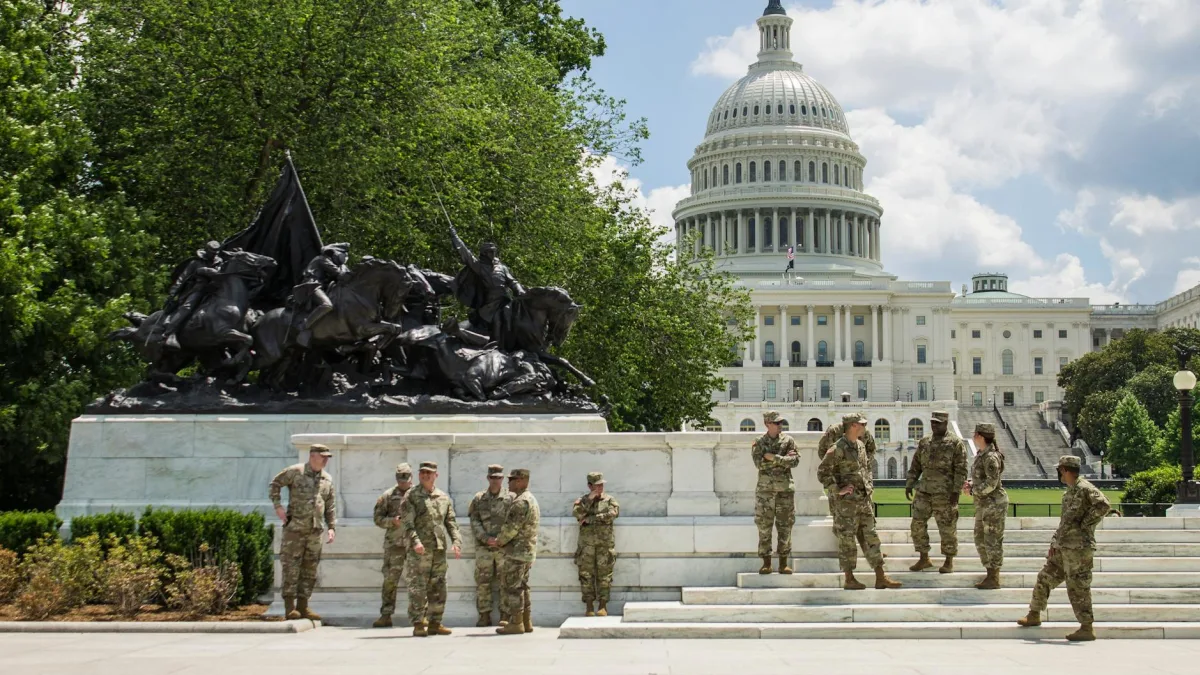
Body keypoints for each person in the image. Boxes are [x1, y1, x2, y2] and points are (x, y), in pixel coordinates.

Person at [1018, 455, 1111, 641]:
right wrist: (1055, 542)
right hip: (1063, 547)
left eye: (1060, 470)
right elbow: (1065, 522)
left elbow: (1104, 505)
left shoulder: (1085, 489)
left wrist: (1085, 524)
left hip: (1079, 549)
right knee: (1045, 577)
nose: (1059, 474)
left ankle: (1086, 627)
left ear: (1065, 470)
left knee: (1078, 586)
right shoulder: (1069, 492)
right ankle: (1034, 614)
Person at [818, 414, 901, 591]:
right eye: (862, 424)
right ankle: (849, 578)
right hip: (846, 504)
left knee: (872, 537)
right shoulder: (837, 448)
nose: (865, 427)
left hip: (863, 500)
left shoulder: (861, 445)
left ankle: (880, 577)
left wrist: (868, 487)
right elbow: (823, 472)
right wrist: (837, 489)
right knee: (847, 541)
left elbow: (865, 469)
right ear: (853, 425)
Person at [268, 443, 337, 620]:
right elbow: (275, 484)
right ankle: (290, 608)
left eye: (327, 458)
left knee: (310, 570)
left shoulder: (327, 479)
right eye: (323, 457)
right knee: (291, 568)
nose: (325, 461)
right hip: (295, 530)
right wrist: (278, 507)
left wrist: (331, 527)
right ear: (313, 455)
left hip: (314, 532)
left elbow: (330, 505)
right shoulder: (295, 471)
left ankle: (303, 606)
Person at [399, 461, 462, 637]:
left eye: (429, 473)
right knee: (418, 587)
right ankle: (419, 623)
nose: (426, 475)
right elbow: (407, 523)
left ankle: (435, 622)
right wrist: (416, 542)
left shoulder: (443, 497)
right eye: (423, 472)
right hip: (419, 550)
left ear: (436, 475)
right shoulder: (411, 496)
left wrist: (456, 541)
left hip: (438, 550)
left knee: (439, 587)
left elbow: (450, 522)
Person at [906, 411, 968, 573]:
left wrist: (956, 491)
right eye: (933, 422)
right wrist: (910, 483)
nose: (934, 425)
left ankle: (948, 561)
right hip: (924, 491)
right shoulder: (925, 441)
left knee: (947, 528)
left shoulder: (955, 443)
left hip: (945, 493)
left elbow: (961, 469)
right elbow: (916, 464)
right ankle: (924, 558)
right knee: (917, 525)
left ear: (946, 423)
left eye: (938, 423)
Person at [449, 224, 526, 343]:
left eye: (494, 251)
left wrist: (519, 289)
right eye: (490, 252)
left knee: (519, 314)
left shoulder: (501, 267)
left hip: (505, 300)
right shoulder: (479, 266)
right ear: (484, 253)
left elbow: (512, 281)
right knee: (498, 319)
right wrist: (454, 236)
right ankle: (496, 343)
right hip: (490, 304)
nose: (493, 254)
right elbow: (465, 253)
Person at [751, 410, 800, 574]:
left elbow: (794, 461)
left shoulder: (789, 441)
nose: (780, 426)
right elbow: (759, 463)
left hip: (785, 491)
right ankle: (766, 562)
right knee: (764, 527)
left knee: (785, 526)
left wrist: (773, 457)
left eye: (781, 423)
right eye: (777, 423)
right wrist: (783, 459)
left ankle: (783, 563)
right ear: (767, 424)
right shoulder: (759, 442)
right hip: (765, 492)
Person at [495, 468, 540, 635]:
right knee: (522, 586)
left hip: (517, 552)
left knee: (513, 587)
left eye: (512, 480)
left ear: (521, 480)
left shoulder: (521, 502)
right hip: (527, 552)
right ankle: (526, 621)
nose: (509, 483)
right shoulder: (531, 499)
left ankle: (516, 622)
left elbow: (510, 529)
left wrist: (499, 541)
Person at [371, 463, 413, 628]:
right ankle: (386, 614)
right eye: (400, 479)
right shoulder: (387, 496)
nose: (403, 482)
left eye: (406, 479)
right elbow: (377, 518)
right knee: (390, 580)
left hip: (413, 543)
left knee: (417, 581)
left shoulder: (417, 495)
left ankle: (419, 616)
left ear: (411, 478)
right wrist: (391, 522)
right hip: (394, 544)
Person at [161, 241, 225, 349]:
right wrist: (173, 291)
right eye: (212, 252)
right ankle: (169, 333)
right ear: (206, 251)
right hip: (197, 289)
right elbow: (182, 278)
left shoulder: (220, 262)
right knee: (187, 307)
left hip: (214, 290)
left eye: (216, 253)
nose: (214, 255)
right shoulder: (195, 263)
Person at [965, 423, 1007, 589]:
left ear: (981, 436)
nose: (974, 437)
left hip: (993, 504)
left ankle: (994, 576)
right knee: (980, 538)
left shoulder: (991, 457)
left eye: (975, 434)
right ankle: (990, 572)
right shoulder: (982, 455)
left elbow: (991, 483)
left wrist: (973, 490)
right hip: (984, 504)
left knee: (992, 540)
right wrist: (971, 484)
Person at [573, 472, 620, 617]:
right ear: (589, 486)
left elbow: (612, 515)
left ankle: (603, 605)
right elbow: (578, 514)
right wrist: (589, 501)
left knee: (604, 575)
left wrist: (590, 519)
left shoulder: (610, 500)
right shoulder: (582, 501)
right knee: (586, 575)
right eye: (597, 485)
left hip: (604, 545)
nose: (600, 487)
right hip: (586, 546)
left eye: (601, 484)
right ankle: (588, 606)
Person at [468, 464, 510, 627]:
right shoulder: (479, 499)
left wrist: (502, 538)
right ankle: (484, 615)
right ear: (488, 478)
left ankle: (505, 614)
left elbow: (513, 521)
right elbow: (474, 521)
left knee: (504, 581)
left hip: (503, 547)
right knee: (483, 582)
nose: (495, 481)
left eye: (498, 478)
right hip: (484, 547)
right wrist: (485, 538)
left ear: (503, 479)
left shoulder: (510, 498)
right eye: (493, 477)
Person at [293, 242, 351, 343]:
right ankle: (304, 326)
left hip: (321, 286)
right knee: (327, 305)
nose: (345, 258)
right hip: (311, 285)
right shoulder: (322, 259)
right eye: (343, 254)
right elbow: (337, 273)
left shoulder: (333, 262)